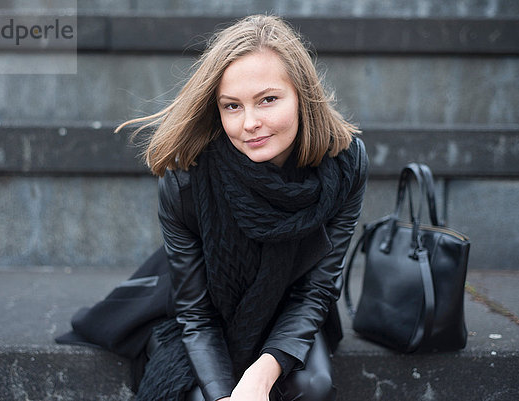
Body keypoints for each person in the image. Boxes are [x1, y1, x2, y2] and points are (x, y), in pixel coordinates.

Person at [58, 14, 368, 401]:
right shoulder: (187, 177)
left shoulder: (344, 164)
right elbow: (196, 315)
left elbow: (317, 291)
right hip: (205, 307)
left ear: (302, 95)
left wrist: (261, 374)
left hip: (292, 302)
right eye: (232, 106)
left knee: (312, 387)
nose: (250, 123)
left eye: (268, 99)